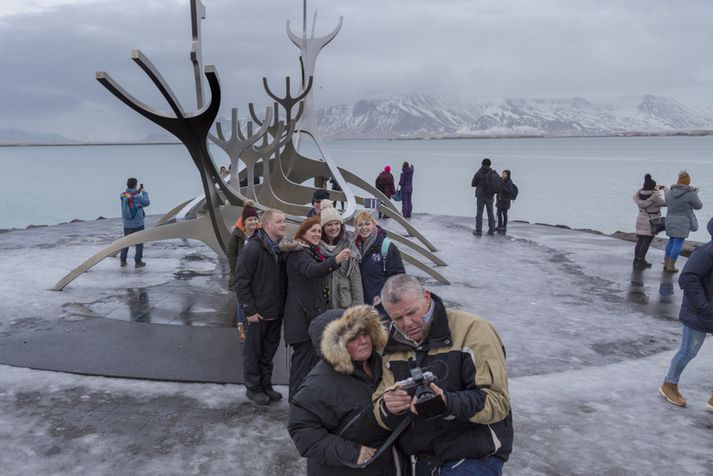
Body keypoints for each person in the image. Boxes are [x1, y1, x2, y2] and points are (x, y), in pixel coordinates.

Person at [373, 274, 513, 476]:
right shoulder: (392, 347)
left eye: (412, 312)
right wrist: (390, 407)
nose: (408, 323)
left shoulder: (474, 331)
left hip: (474, 456)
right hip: (426, 458)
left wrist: (446, 402)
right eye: (397, 318)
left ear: (427, 297)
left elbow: (498, 402)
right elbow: (379, 404)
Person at [288, 306, 400, 475]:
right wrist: (352, 453)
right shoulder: (319, 384)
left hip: (386, 464)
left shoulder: (385, 365)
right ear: (334, 347)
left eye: (365, 333)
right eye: (352, 338)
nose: (363, 340)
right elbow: (303, 431)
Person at [280, 216, 352, 401]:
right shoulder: (299, 254)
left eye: (319, 231)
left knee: (309, 362)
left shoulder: (311, 251)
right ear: (303, 233)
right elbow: (313, 270)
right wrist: (336, 260)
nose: (317, 234)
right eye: (312, 231)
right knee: (302, 363)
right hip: (300, 318)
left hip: (308, 316)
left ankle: (304, 400)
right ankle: (296, 402)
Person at [659, 217, 713, 412]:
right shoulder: (707, 251)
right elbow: (688, 278)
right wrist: (704, 307)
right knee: (688, 351)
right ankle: (669, 385)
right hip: (699, 312)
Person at [235, 209, 287, 405]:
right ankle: (253, 388)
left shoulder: (279, 248)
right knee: (253, 352)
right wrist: (249, 310)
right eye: (279, 221)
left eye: (284, 221)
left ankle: (266, 385)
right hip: (258, 314)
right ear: (267, 225)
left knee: (268, 353)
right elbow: (241, 282)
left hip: (275, 312)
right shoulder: (253, 249)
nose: (283, 224)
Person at [352, 210, 405, 308]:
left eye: (367, 224)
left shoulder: (387, 247)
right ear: (355, 228)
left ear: (374, 224)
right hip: (361, 305)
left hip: (382, 306)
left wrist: (384, 296)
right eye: (360, 225)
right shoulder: (353, 247)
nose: (364, 228)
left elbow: (399, 277)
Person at [320, 200, 365, 309]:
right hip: (322, 305)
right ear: (322, 227)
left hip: (344, 305)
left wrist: (357, 308)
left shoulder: (348, 246)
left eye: (337, 223)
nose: (334, 228)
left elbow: (355, 280)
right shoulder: (317, 247)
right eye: (329, 224)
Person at [228, 200, 261, 343]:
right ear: (244, 222)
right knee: (242, 302)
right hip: (242, 275)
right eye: (250, 219)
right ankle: (242, 329)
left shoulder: (260, 234)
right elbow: (231, 253)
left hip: (256, 276)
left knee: (253, 301)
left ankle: (253, 327)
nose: (253, 222)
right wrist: (237, 270)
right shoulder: (237, 235)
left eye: (255, 219)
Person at [663, 170, 702, 273]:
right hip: (683, 222)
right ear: (688, 181)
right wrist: (695, 193)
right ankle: (671, 266)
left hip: (670, 220)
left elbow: (668, 199)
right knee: (678, 243)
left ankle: (666, 263)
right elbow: (699, 206)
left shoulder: (669, 192)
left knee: (671, 242)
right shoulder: (690, 193)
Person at [633, 174, 666, 269]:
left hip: (640, 219)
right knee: (646, 242)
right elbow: (665, 203)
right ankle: (641, 260)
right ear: (653, 187)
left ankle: (636, 259)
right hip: (650, 221)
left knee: (640, 240)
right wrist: (664, 191)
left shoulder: (639, 195)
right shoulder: (655, 197)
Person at [119, 177, 150, 268]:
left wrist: (137, 191)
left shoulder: (123, 195)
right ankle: (138, 261)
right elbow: (147, 202)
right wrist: (144, 192)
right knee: (139, 242)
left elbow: (131, 196)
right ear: (135, 185)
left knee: (126, 241)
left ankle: (123, 260)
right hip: (138, 223)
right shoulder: (138, 197)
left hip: (127, 223)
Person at [471, 158, 501, 236]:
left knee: (479, 213)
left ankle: (478, 231)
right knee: (490, 213)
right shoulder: (493, 173)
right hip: (490, 196)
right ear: (490, 164)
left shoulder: (478, 173)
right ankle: (491, 230)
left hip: (480, 196)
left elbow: (473, 184)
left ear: (482, 164)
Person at [495, 169, 517, 234]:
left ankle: (504, 226)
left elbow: (510, 191)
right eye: (503, 173)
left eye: (505, 174)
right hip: (499, 199)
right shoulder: (500, 180)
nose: (503, 175)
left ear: (508, 175)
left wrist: (503, 187)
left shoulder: (509, 182)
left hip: (506, 200)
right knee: (498, 213)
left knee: (504, 213)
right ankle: (499, 225)